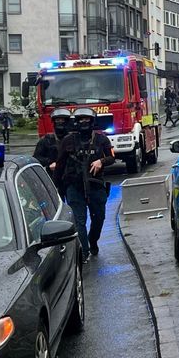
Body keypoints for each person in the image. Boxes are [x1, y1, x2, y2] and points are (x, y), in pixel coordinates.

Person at [56, 108, 115, 262]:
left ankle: (93, 240)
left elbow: (111, 158)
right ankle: (84, 251)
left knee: (99, 219)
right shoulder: (68, 141)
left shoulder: (101, 139)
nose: (83, 122)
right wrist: (58, 189)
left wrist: (101, 161)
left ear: (92, 121)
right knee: (79, 220)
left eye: (86, 119)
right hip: (74, 186)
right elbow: (60, 165)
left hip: (95, 185)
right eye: (80, 119)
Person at [34, 108, 73, 199]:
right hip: (53, 179)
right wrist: (49, 163)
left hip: (71, 179)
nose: (60, 122)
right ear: (54, 122)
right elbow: (36, 158)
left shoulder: (73, 139)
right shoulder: (46, 140)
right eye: (58, 120)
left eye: (63, 120)